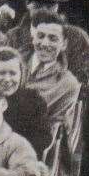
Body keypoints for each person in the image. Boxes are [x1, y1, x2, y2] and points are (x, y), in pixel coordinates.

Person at [4, 0, 89, 87]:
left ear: (57, 7)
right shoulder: (13, 36)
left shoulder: (77, 37)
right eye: (38, 6)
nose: (44, 12)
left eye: (49, 6)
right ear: (27, 5)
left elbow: (81, 77)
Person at [18, 10, 82, 138]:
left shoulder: (68, 84)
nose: (45, 44)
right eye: (40, 36)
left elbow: (56, 131)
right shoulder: (13, 62)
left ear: (63, 44)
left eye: (53, 39)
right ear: (33, 39)